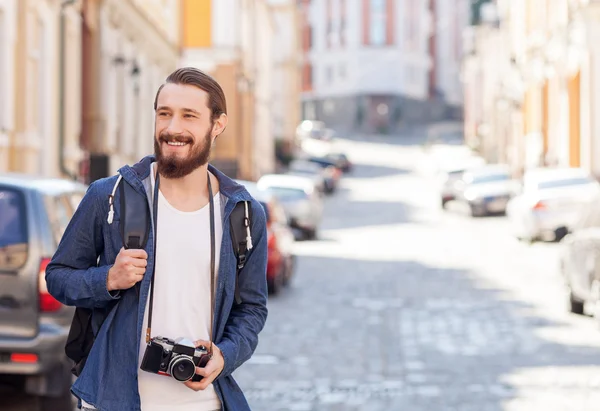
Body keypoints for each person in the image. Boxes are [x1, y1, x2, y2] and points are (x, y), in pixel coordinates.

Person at [46, 67, 269, 411]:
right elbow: (58, 277)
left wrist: (225, 355)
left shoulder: (243, 213)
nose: (172, 128)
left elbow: (252, 309)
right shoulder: (110, 196)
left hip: (203, 402)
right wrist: (107, 279)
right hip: (113, 400)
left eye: (189, 116)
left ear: (217, 124)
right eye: (164, 114)